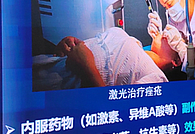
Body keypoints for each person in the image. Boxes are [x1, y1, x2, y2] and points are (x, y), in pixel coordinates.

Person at [34, 27, 169, 90]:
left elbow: (116, 115)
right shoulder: (131, 40)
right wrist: (71, 46)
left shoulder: (157, 79)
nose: (167, 31)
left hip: (57, 88)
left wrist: (86, 66)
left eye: (175, 37)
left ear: (176, 61)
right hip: (47, 63)